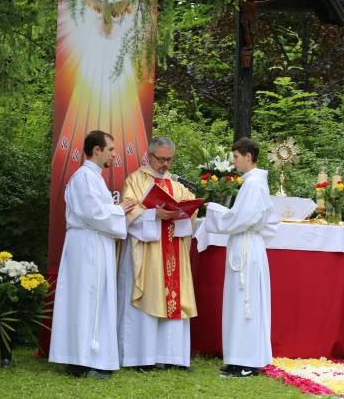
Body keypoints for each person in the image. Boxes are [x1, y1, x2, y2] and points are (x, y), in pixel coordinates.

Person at [49, 130, 136, 379]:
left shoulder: (94, 178)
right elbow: (93, 214)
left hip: (96, 243)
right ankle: (80, 359)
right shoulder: (83, 178)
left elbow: (100, 212)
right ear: (96, 150)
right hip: (86, 245)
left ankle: (93, 355)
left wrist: (115, 211)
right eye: (110, 149)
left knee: (95, 298)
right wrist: (119, 210)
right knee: (85, 299)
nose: (114, 154)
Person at [117, 137, 197, 371]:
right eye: (161, 159)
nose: (165, 164)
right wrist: (153, 215)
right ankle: (140, 357)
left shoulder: (178, 185)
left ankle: (173, 357)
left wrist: (185, 212)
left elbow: (189, 213)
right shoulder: (135, 180)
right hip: (147, 251)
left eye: (169, 159)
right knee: (148, 300)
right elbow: (128, 212)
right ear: (149, 156)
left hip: (173, 249)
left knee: (174, 299)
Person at [204, 137, 279, 377]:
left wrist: (215, 211)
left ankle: (247, 361)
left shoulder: (254, 184)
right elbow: (243, 216)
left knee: (246, 303)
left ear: (249, 156)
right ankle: (237, 358)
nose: (233, 161)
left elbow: (243, 218)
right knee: (238, 302)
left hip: (246, 245)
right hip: (243, 244)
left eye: (236, 157)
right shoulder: (250, 183)